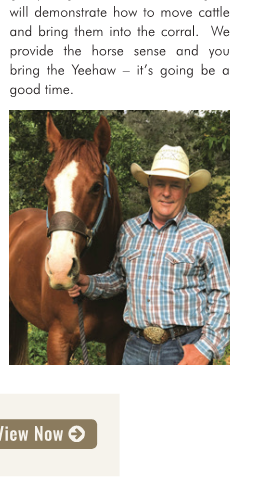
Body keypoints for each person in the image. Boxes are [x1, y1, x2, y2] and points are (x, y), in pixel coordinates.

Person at [70, 145, 229, 365]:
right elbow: (119, 278)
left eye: (175, 185)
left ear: (186, 189)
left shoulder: (206, 235)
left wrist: (206, 348)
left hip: (185, 348)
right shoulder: (129, 230)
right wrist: (88, 283)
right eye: (159, 184)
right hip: (136, 348)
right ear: (149, 187)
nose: (166, 192)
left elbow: (223, 296)